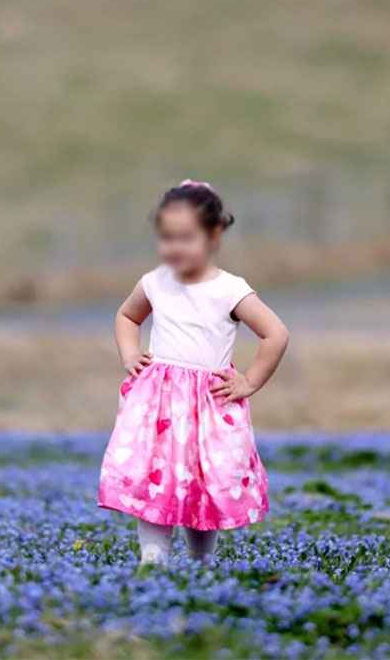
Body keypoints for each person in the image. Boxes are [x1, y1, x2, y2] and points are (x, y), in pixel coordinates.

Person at [97, 179, 290, 565]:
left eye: (186, 237)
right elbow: (127, 315)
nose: (174, 247)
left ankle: (202, 560)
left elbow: (275, 333)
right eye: (167, 237)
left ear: (214, 234)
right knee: (156, 479)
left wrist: (249, 381)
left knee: (205, 483)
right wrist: (130, 353)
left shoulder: (229, 289)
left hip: (207, 405)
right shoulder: (154, 282)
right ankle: (153, 558)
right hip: (159, 404)